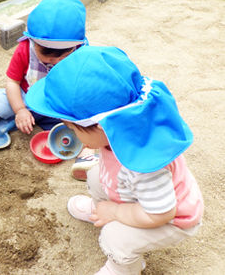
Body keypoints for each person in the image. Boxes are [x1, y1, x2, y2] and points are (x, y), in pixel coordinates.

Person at [25, 46, 204, 275]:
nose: (69, 132)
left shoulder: (144, 167)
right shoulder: (119, 130)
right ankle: (100, 209)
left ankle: (124, 268)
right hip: (143, 197)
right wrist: (107, 209)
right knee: (94, 174)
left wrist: (116, 214)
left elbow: (161, 213)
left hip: (170, 217)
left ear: (102, 127)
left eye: (72, 127)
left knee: (114, 237)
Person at [0, 0, 87, 145]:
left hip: (58, 103)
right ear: (33, 41)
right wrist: (20, 110)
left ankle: (79, 147)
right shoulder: (25, 49)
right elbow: (12, 82)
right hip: (25, 95)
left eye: (61, 57)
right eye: (45, 55)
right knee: (1, 101)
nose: (53, 61)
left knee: (77, 121)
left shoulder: (81, 54)